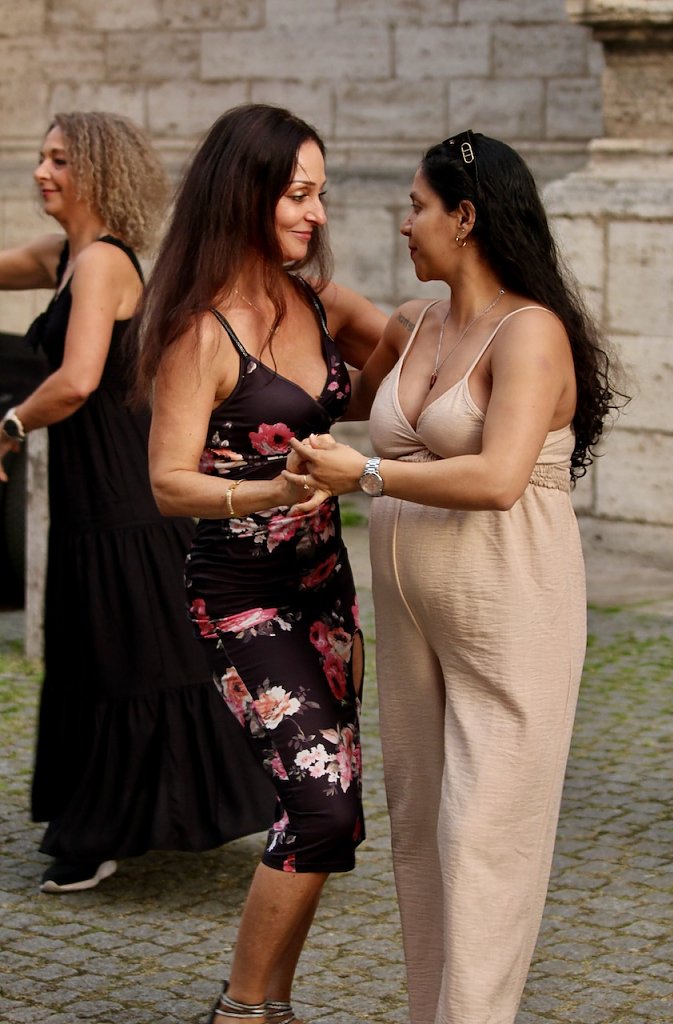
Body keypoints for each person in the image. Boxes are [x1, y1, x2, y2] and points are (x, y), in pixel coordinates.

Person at [284, 130, 623, 1024]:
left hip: (511, 607)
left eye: (418, 207)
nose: (405, 224)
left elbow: (499, 477)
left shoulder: (532, 332)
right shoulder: (416, 323)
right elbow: (330, 391)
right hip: (411, 623)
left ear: (465, 218)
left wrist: (364, 475)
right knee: (423, 838)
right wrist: (272, 295)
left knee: (483, 841)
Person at [134, 104, 387, 1024]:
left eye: (320, 194)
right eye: (298, 194)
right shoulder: (200, 331)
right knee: (319, 803)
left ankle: (269, 1007)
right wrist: (270, 491)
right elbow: (168, 483)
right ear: (246, 194)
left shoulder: (319, 303)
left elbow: (402, 366)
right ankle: (241, 1012)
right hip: (241, 600)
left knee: (329, 813)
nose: (316, 212)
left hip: (326, 590)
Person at [0, 111, 277, 895]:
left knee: (142, 657)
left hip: (125, 496)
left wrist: (10, 426)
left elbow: (78, 379)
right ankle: (109, 818)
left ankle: (121, 827)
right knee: (104, 655)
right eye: (41, 156)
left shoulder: (102, 264)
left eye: (60, 159)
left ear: (98, 171)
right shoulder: (65, 257)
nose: (42, 171)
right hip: (91, 497)